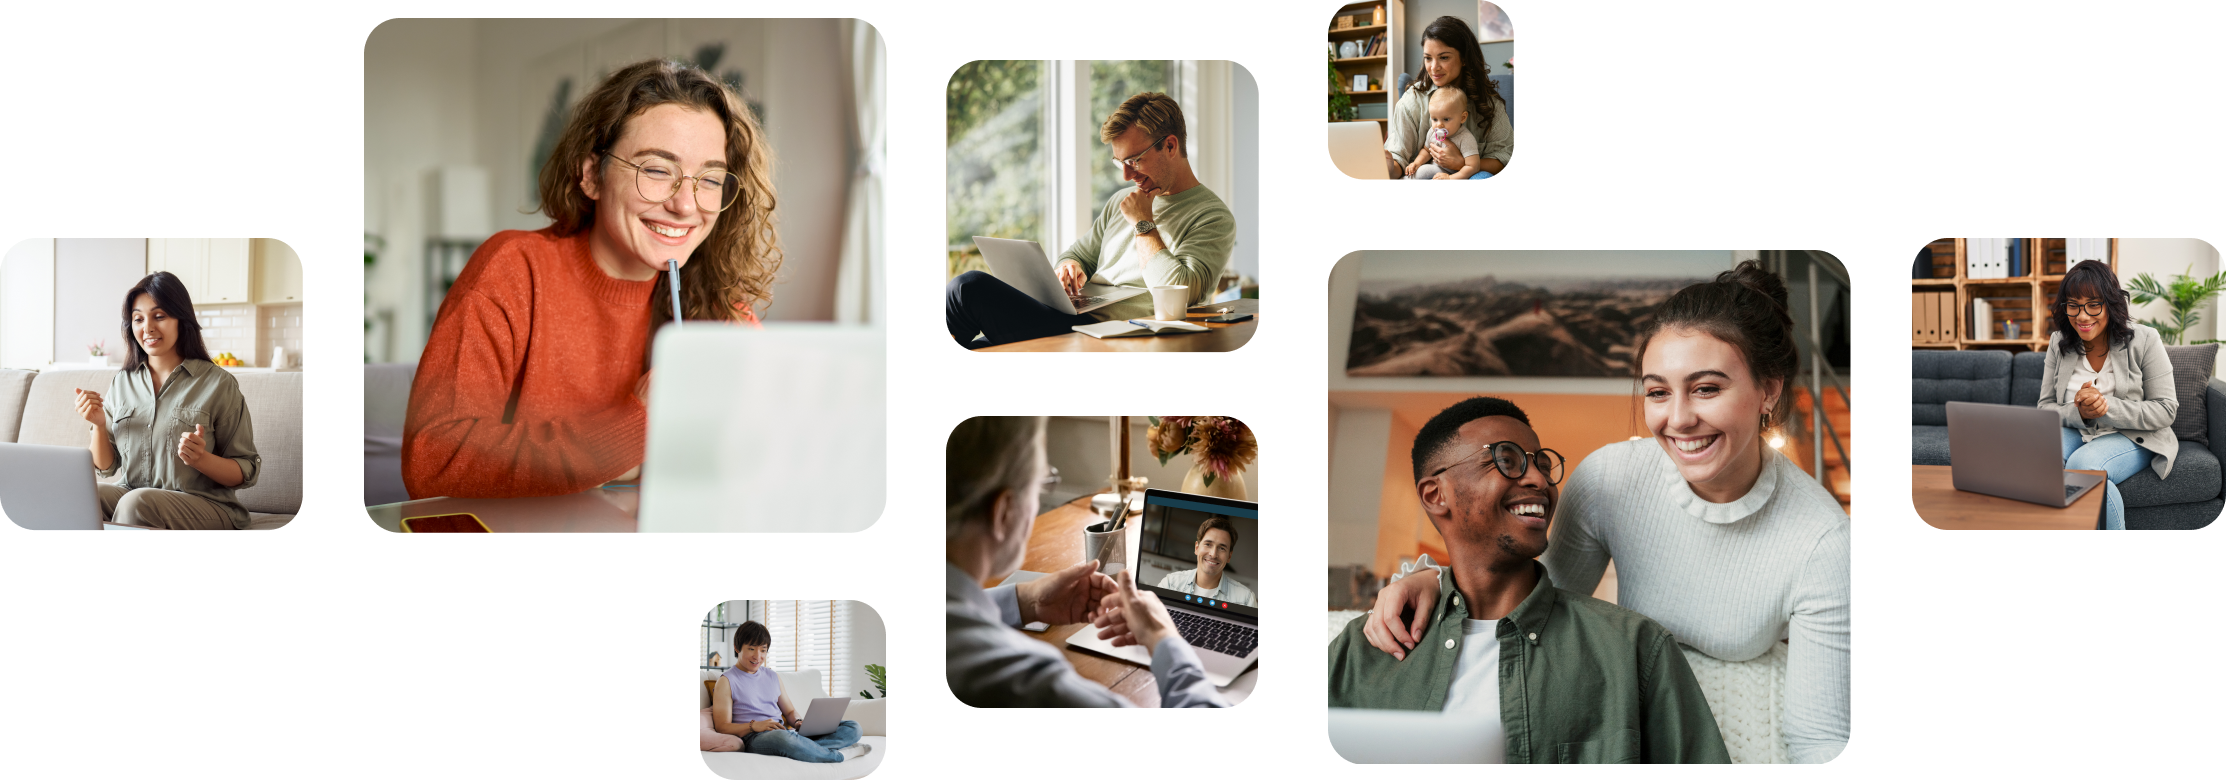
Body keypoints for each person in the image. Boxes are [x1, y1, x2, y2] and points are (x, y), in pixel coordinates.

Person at [1363, 261, 1851, 763]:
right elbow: (1533, 605)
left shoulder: (1823, 541)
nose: (1678, 419)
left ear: (1768, 390)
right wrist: (1437, 583)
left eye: (1707, 388)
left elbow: (1819, 740)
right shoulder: (1610, 479)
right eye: (1658, 392)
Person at [403, 58, 777, 499]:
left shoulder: (718, 306)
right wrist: (635, 426)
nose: (685, 205)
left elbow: (760, 458)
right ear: (591, 175)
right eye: (657, 170)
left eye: (709, 179)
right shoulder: (513, 270)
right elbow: (433, 460)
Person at [1327, 398, 1730, 763]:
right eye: (1507, 459)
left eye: (1541, 463)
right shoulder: (1364, 649)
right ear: (1436, 495)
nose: (1539, 480)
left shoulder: (1633, 648)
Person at [944, 416, 1230, 706]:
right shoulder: (1031, 685)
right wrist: (1163, 637)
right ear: (1003, 512)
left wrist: (1025, 601)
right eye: (1042, 482)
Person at [946, 92, 1236, 346]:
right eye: (1120, 163)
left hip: (1115, 334)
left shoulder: (1212, 217)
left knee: (968, 288)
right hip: (1071, 317)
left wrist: (1143, 224)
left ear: (1170, 146)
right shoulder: (1120, 201)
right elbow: (1077, 254)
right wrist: (1068, 267)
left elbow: (1179, 291)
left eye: (1134, 161)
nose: (1126, 176)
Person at [74, 272, 262, 530]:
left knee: (135, 502)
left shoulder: (218, 384)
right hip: (135, 494)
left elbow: (246, 470)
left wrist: (201, 459)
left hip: (204, 503)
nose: (147, 327)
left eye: (159, 316)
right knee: (84, 496)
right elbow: (106, 467)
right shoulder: (123, 382)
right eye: (138, 318)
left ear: (180, 320)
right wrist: (97, 423)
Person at [2044, 260, 2178, 530]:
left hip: (2131, 434)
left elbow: (2166, 409)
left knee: (2084, 467)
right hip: (2077, 430)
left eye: (2094, 304)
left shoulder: (2145, 339)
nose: (2083, 316)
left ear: (2111, 303)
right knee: (2039, 461)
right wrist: (2079, 412)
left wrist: (2106, 407)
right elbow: (2045, 408)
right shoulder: (2059, 343)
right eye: (2073, 305)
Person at [709, 621, 867, 763]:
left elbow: (790, 711)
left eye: (763, 650)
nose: (758, 656)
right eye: (751, 649)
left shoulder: (772, 676)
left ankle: (805, 748)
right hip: (755, 738)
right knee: (784, 738)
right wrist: (755, 726)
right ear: (737, 648)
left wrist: (798, 722)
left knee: (853, 727)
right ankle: (838, 756)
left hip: (786, 732)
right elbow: (722, 727)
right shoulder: (726, 681)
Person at [1383, 16, 1513, 180]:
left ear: (1464, 59)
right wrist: (1388, 167)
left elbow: (1502, 158)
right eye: (1428, 58)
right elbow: (1398, 162)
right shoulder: (1411, 101)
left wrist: (1461, 163)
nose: (1434, 67)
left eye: (1444, 57)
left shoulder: (1488, 103)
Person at [1153, 516, 1255, 606]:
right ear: (1197, 548)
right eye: (1208, 544)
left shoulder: (1246, 600)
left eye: (1222, 548)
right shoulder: (1170, 584)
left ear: (1229, 556)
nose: (1213, 554)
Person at [1400, 87, 1482, 180]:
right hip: (1436, 169)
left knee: (1424, 170)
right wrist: (1417, 162)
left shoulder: (1466, 138)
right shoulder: (1432, 131)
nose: (1439, 125)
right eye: (1434, 119)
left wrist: (1450, 178)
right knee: (1421, 170)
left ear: (1462, 118)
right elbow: (1426, 150)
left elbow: (1473, 167)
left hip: (1455, 174)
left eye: (1446, 119)